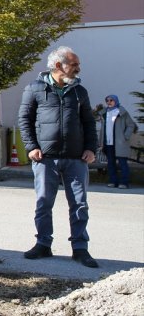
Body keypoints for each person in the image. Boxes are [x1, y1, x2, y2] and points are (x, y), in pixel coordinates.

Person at [18, 46, 99, 268]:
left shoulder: (80, 91)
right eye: (73, 64)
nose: (78, 68)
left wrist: (92, 148)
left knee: (80, 204)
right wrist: (31, 146)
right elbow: (24, 119)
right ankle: (43, 244)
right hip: (45, 159)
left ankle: (80, 248)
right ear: (58, 65)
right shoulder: (34, 89)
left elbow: (89, 123)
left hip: (76, 159)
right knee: (44, 203)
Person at [94, 95, 138, 189]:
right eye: (107, 100)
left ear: (116, 101)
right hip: (108, 142)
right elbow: (103, 129)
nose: (109, 102)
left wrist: (125, 136)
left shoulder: (122, 112)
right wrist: (101, 141)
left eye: (111, 100)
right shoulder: (104, 113)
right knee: (110, 163)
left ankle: (124, 182)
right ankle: (113, 181)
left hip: (119, 143)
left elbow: (131, 125)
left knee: (123, 163)